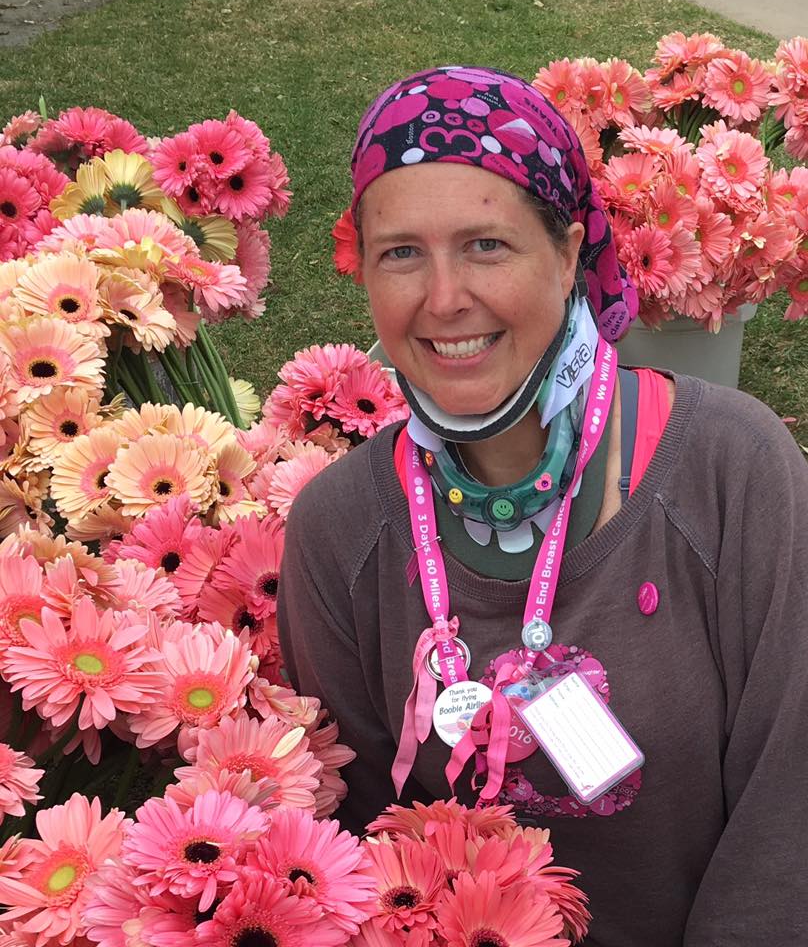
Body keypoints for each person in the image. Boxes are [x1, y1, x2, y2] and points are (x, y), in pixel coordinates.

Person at [277, 66, 808, 946]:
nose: (444, 299)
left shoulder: (733, 469)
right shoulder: (338, 530)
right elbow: (349, 859)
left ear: (567, 254)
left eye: (486, 244)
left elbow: (789, 814)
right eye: (401, 251)